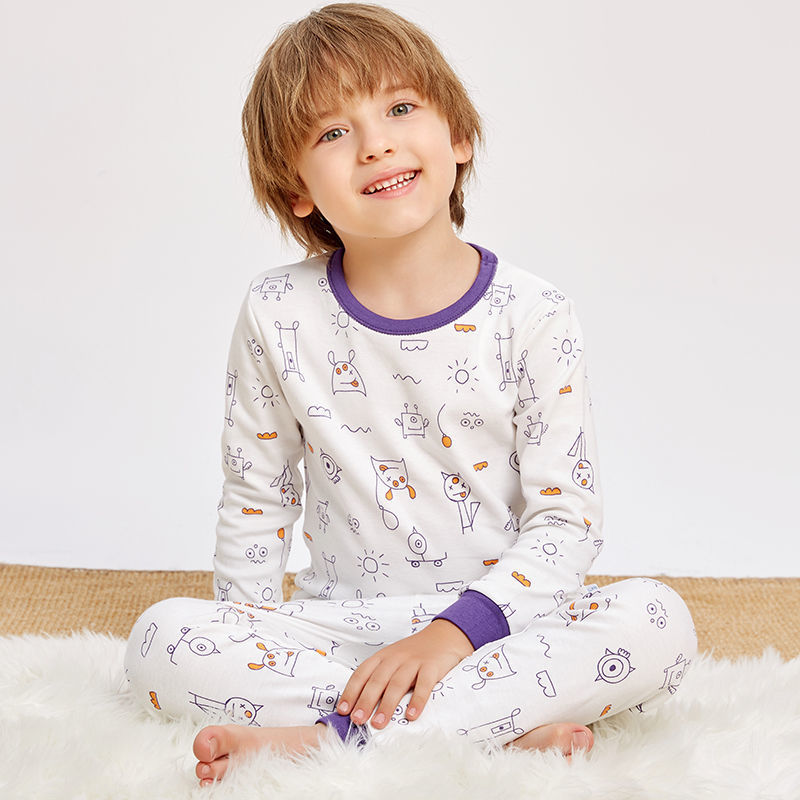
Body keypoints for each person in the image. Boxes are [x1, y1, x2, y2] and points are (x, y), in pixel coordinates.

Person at [124, 3, 697, 787]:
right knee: (159, 640)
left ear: (458, 137)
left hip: (496, 629)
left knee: (659, 620)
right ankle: (485, 728)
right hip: (337, 631)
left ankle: (333, 736)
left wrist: (452, 636)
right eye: (333, 132)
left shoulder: (534, 315)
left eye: (400, 108)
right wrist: (243, 636)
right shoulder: (277, 310)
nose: (376, 143)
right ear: (296, 190)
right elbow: (257, 495)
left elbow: (566, 522)